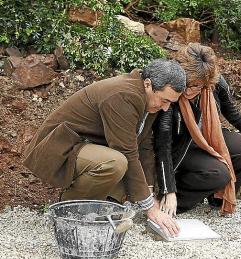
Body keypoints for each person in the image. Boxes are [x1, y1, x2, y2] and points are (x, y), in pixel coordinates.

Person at [23, 59, 186, 236]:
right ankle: (69, 208)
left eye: (170, 103)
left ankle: (100, 208)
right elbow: (127, 152)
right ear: (148, 84)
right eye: (164, 100)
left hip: (84, 147)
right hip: (58, 148)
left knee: (131, 177)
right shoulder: (123, 95)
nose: (165, 108)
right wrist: (149, 208)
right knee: (115, 163)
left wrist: (150, 192)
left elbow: (144, 145)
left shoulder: (147, 99)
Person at [153, 43, 241, 216]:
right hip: (181, 146)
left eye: (198, 86)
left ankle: (217, 197)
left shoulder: (214, 84)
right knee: (219, 173)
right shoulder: (171, 90)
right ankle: (171, 204)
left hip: (206, 136)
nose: (190, 91)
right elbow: (163, 145)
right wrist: (168, 190)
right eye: (189, 85)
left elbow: (233, 113)